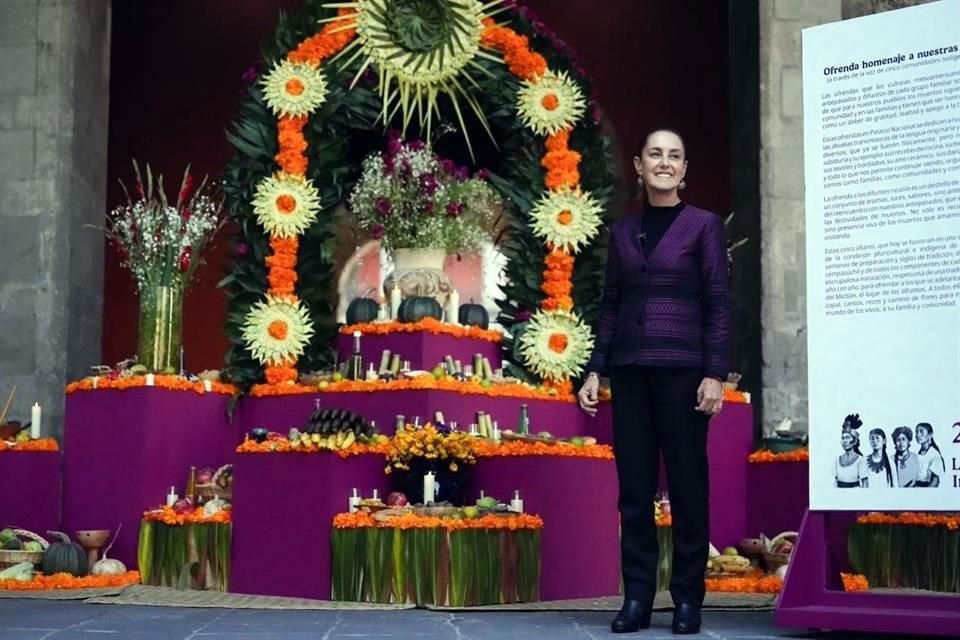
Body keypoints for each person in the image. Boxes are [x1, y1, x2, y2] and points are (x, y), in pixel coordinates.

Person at [577, 128, 728, 635]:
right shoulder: (624, 231)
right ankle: (638, 598)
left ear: (684, 170)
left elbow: (718, 304)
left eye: (675, 156)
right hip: (630, 372)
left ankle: (687, 599)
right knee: (634, 492)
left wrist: (714, 373)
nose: (665, 162)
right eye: (655, 154)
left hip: (684, 373)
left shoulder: (703, 226)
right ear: (639, 166)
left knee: (687, 487)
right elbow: (611, 305)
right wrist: (595, 368)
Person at [834, 416, 866, 488]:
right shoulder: (837, 460)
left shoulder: (860, 460)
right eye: (843, 438)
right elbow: (835, 482)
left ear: (855, 441)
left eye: (848, 437)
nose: (845, 441)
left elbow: (865, 484)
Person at [914, 422, 945, 487]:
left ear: (930, 435)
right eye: (916, 432)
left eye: (921, 432)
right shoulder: (918, 453)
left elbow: (935, 481)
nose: (918, 434)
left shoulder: (934, 454)